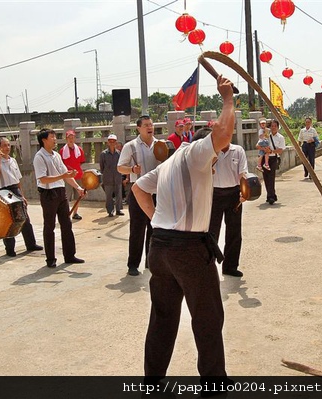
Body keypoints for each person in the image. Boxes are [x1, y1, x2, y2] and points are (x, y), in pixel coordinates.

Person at [132, 75, 235, 385]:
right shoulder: (196, 152)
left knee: (162, 317)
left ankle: (152, 382)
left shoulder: (170, 162)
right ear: (207, 145)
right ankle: (214, 382)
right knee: (207, 316)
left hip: (161, 247)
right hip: (187, 249)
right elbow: (225, 131)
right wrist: (227, 99)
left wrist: (155, 221)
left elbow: (138, 189)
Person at [33, 128, 85, 268]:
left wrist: (78, 187)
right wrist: (63, 176)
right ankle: (50, 259)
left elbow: (65, 175)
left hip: (61, 192)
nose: (55, 139)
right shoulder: (39, 157)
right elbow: (43, 179)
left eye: (55, 137)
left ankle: (69, 255)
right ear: (44, 140)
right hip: (48, 193)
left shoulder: (56, 155)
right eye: (52, 137)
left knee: (66, 224)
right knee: (49, 226)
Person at [117, 116, 160, 276]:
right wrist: (132, 170)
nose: (150, 127)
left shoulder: (160, 145)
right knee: (137, 229)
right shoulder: (131, 146)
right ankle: (133, 265)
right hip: (138, 191)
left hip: (156, 192)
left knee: (155, 228)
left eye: (151, 124)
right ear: (139, 128)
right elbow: (120, 167)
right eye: (146, 125)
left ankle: (151, 261)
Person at [0, 137, 42, 257]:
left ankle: (31, 243)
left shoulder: (13, 160)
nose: (7, 148)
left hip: (15, 189)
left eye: (8, 145)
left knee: (24, 218)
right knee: (7, 220)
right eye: (4, 145)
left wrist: (22, 195)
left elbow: (17, 179)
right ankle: (10, 248)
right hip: (3, 191)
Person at [208, 142, 248, 277]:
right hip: (214, 194)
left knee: (234, 232)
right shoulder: (210, 151)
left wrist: (244, 192)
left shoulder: (238, 150)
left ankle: (230, 266)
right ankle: (208, 266)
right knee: (211, 232)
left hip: (234, 194)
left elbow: (243, 174)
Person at [59, 130, 85, 220]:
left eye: (72, 137)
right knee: (66, 196)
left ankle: (75, 213)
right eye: (69, 138)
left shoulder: (79, 150)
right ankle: (66, 213)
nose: (71, 139)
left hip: (77, 175)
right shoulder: (62, 151)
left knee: (78, 196)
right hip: (67, 176)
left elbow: (81, 161)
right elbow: (61, 164)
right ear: (66, 139)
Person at [259, 120, 285, 205]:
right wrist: (264, 149)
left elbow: (280, 150)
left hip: (273, 158)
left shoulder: (280, 137)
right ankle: (269, 195)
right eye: (272, 126)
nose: (273, 127)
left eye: (275, 126)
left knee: (271, 177)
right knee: (265, 178)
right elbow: (259, 145)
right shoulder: (266, 136)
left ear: (278, 127)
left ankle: (271, 196)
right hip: (264, 159)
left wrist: (271, 151)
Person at [99, 134, 124, 217]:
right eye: (110, 141)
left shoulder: (119, 153)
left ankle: (118, 209)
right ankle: (110, 211)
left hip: (117, 176)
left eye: (113, 141)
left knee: (118, 195)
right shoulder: (103, 154)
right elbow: (102, 166)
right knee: (109, 196)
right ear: (108, 143)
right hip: (108, 178)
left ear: (116, 143)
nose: (112, 143)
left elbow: (121, 164)